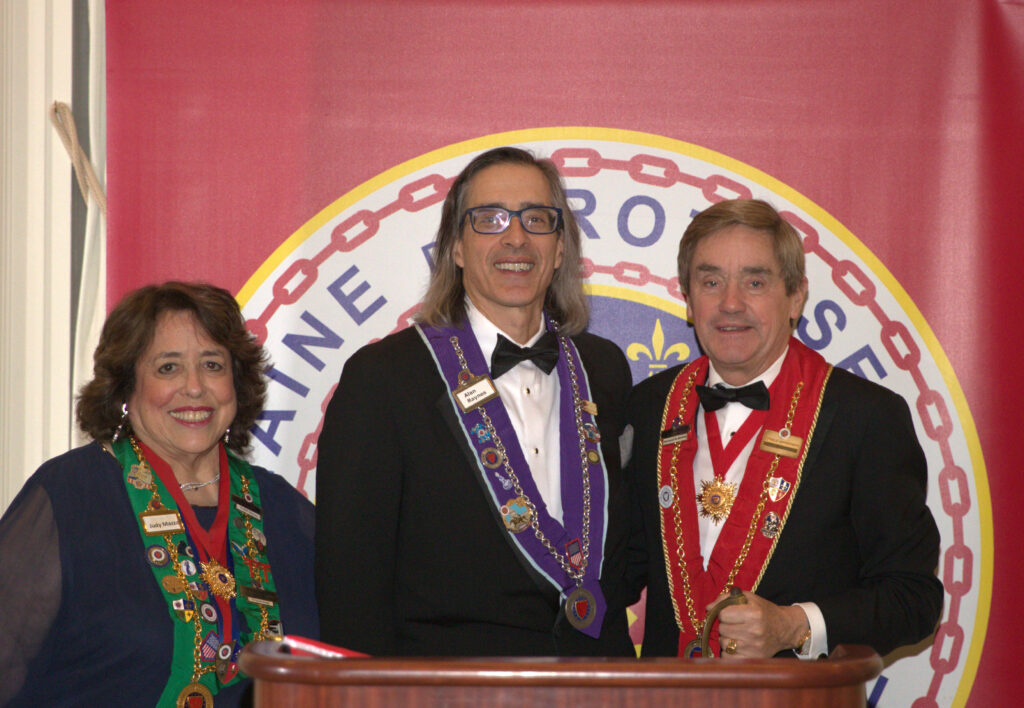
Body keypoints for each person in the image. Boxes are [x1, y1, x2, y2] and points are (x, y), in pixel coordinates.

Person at [316, 146, 637, 656]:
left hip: (595, 680)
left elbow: (622, 555)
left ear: (560, 249)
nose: (516, 237)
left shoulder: (605, 369)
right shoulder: (383, 378)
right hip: (449, 685)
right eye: (490, 219)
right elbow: (351, 590)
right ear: (456, 248)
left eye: (537, 219)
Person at [627, 199, 942, 659]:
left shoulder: (866, 417)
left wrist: (796, 625)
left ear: (796, 297)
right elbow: (617, 569)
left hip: (800, 691)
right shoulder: (647, 407)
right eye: (711, 282)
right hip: (664, 690)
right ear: (689, 300)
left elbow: (914, 599)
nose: (730, 303)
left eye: (755, 282)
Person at [0, 282, 318, 707]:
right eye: (168, 368)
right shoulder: (70, 495)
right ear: (126, 387)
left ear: (236, 384)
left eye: (212, 365)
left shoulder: (286, 511)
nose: (194, 387)